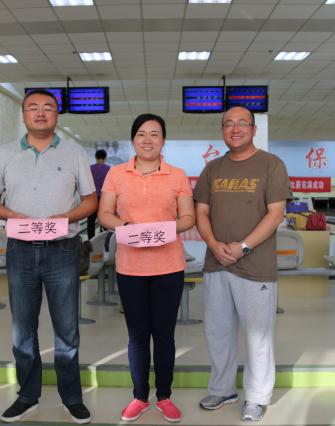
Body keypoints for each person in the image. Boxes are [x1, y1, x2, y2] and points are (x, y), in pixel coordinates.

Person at [0, 89, 97, 424]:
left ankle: (71, 398)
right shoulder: (4, 153)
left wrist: (67, 217)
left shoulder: (74, 153)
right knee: (23, 331)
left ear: (57, 115)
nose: (41, 113)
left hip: (63, 250)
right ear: (24, 115)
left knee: (67, 330)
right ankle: (27, 396)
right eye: (33, 107)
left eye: (48, 107)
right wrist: (10, 215)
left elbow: (90, 201)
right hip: (19, 251)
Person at [194, 105, 291, 422]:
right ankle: (222, 389)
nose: (235, 129)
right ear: (222, 130)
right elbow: (201, 212)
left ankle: (257, 397)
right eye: (228, 124)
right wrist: (214, 245)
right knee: (218, 332)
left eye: (242, 123)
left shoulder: (272, 165)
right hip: (216, 263)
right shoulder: (212, 169)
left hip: (256, 267)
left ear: (253, 129)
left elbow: (276, 214)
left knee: (257, 336)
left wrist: (243, 246)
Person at [98, 113, 195, 423]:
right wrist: (125, 227)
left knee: (164, 335)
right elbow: (104, 213)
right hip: (130, 267)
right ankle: (140, 397)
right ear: (133, 140)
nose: (148, 139)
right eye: (141, 133)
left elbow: (188, 218)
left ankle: (164, 397)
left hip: (169, 266)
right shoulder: (117, 174)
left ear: (163, 140)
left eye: (155, 134)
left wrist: (164, 229)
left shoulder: (177, 175)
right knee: (138, 335)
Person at [87, 149, 110, 239]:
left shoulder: (90, 168)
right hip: (104, 198)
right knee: (104, 219)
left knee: (91, 221)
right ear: (105, 157)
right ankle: (105, 239)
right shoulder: (109, 169)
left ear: (96, 157)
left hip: (92, 198)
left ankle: (91, 240)